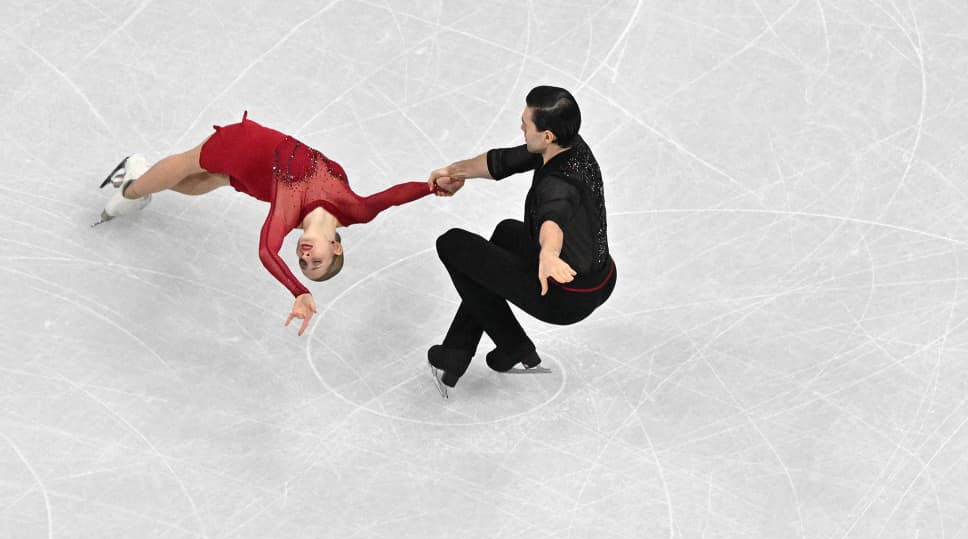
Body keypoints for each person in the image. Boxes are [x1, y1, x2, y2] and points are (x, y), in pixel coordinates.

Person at [98, 112, 443, 335]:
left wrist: (299, 290)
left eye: (303, 264)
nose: (306, 257)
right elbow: (394, 196)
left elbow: (266, 251)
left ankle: (140, 176)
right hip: (254, 145)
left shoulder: (290, 212)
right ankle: (132, 188)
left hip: (259, 175)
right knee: (192, 163)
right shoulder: (356, 211)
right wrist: (432, 187)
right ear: (336, 246)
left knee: (200, 183)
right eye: (317, 261)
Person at [424, 85, 616, 394]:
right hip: (600, 278)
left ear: (547, 135)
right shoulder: (568, 146)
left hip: (566, 295)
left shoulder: (557, 185)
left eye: (526, 124)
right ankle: (472, 349)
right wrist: (453, 171)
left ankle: (501, 345)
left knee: (452, 244)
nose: (521, 127)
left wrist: (549, 255)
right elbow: (503, 161)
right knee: (506, 234)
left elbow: (553, 220)